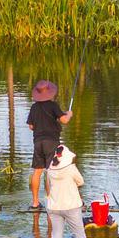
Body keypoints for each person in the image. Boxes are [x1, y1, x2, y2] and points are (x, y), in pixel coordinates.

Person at [28, 80, 73, 210]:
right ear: (50, 93)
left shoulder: (34, 107)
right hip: (51, 141)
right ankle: (51, 201)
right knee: (50, 171)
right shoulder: (53, 105)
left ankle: (35, 203)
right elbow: (64, 120)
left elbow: (31, 126)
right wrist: (68, 114)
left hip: (38, 142)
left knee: (37, 172)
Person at [45, 144, 90, 238]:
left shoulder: (50, 169)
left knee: (56, 233)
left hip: (54, 206)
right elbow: (81, 181)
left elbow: (48, 186)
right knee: (79, 232)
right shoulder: (71, 168)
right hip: (71, 206)